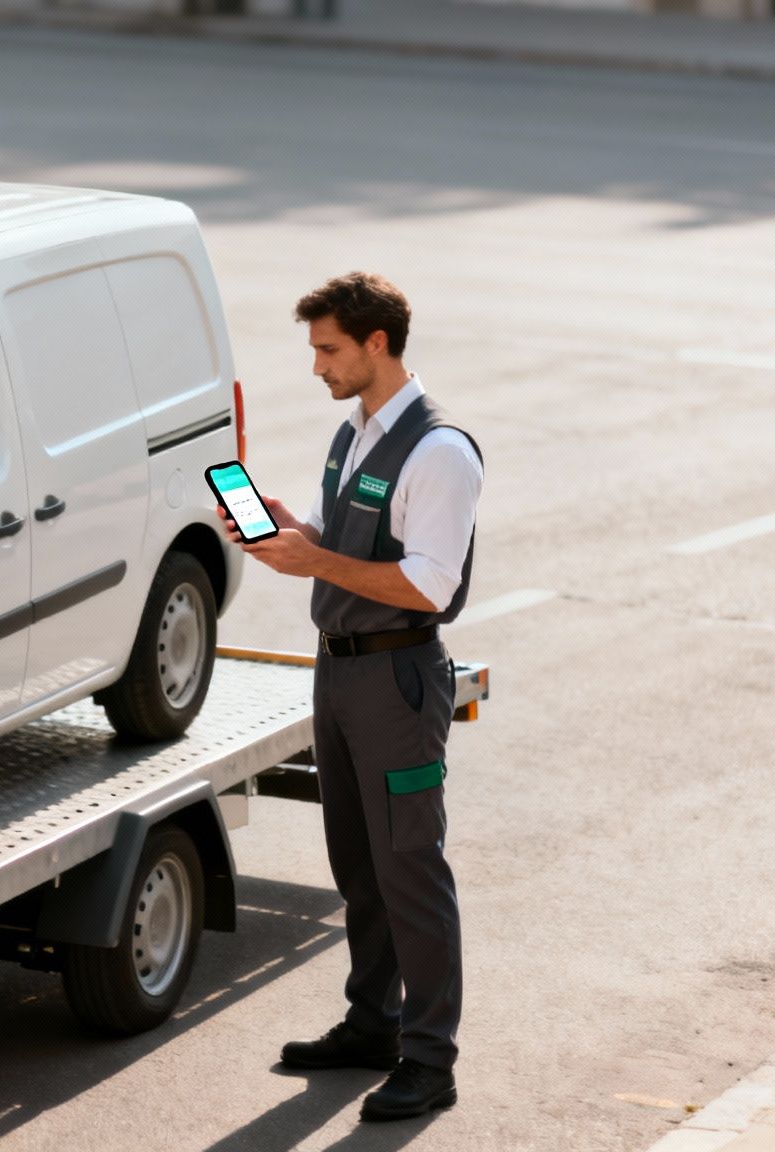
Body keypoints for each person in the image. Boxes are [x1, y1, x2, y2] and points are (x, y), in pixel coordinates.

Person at [221, 271, 483, 1123]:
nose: (317, 366)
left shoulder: (440, 450)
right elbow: (358, 545)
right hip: (338, 671)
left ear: (378, 344)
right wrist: (297, 529)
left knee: (411, 868)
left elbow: (430, 586)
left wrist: (317, 564)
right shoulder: (356, 433)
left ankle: (430, 1058)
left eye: (328, 349)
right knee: (359, 864)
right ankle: (373, 1024)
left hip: (398, 681)